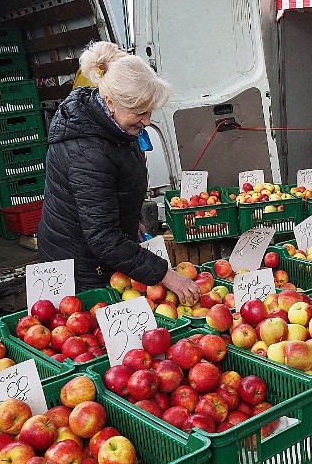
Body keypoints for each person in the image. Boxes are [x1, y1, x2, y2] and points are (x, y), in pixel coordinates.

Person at [38, 41, 199, 303]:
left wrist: (127, 217)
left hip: (98, 251)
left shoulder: (114, 128)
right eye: (139, 113)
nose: (147, 121)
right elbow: (102, 237)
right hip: (80, 264)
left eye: (149, 111)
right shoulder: (87, 152)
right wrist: (166, 275)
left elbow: (109, 190)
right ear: (110, 102)